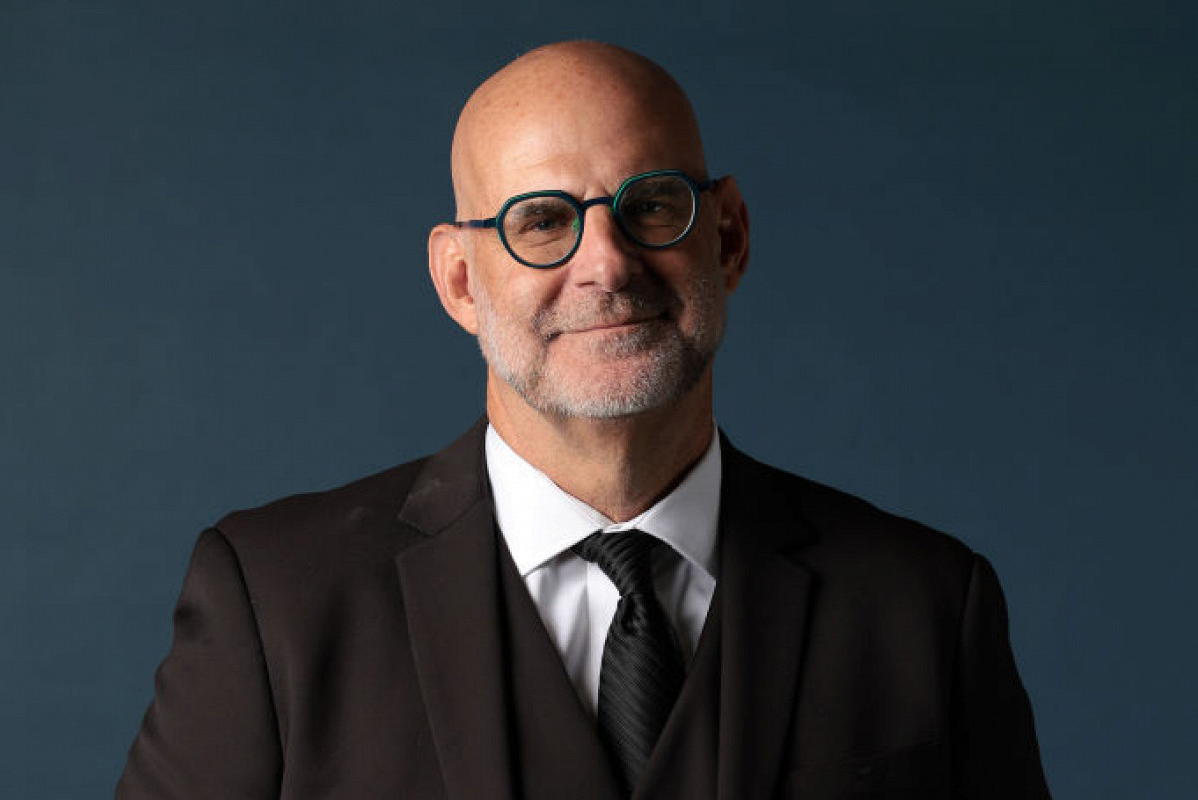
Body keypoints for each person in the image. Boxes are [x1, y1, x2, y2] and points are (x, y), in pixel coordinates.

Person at [117, 41, 1051, 799]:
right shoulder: (277, 603)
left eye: (651, 204)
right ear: (460, 282)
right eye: (540, 220)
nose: (607, 264)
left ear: (728, 237)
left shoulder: (925, 604)